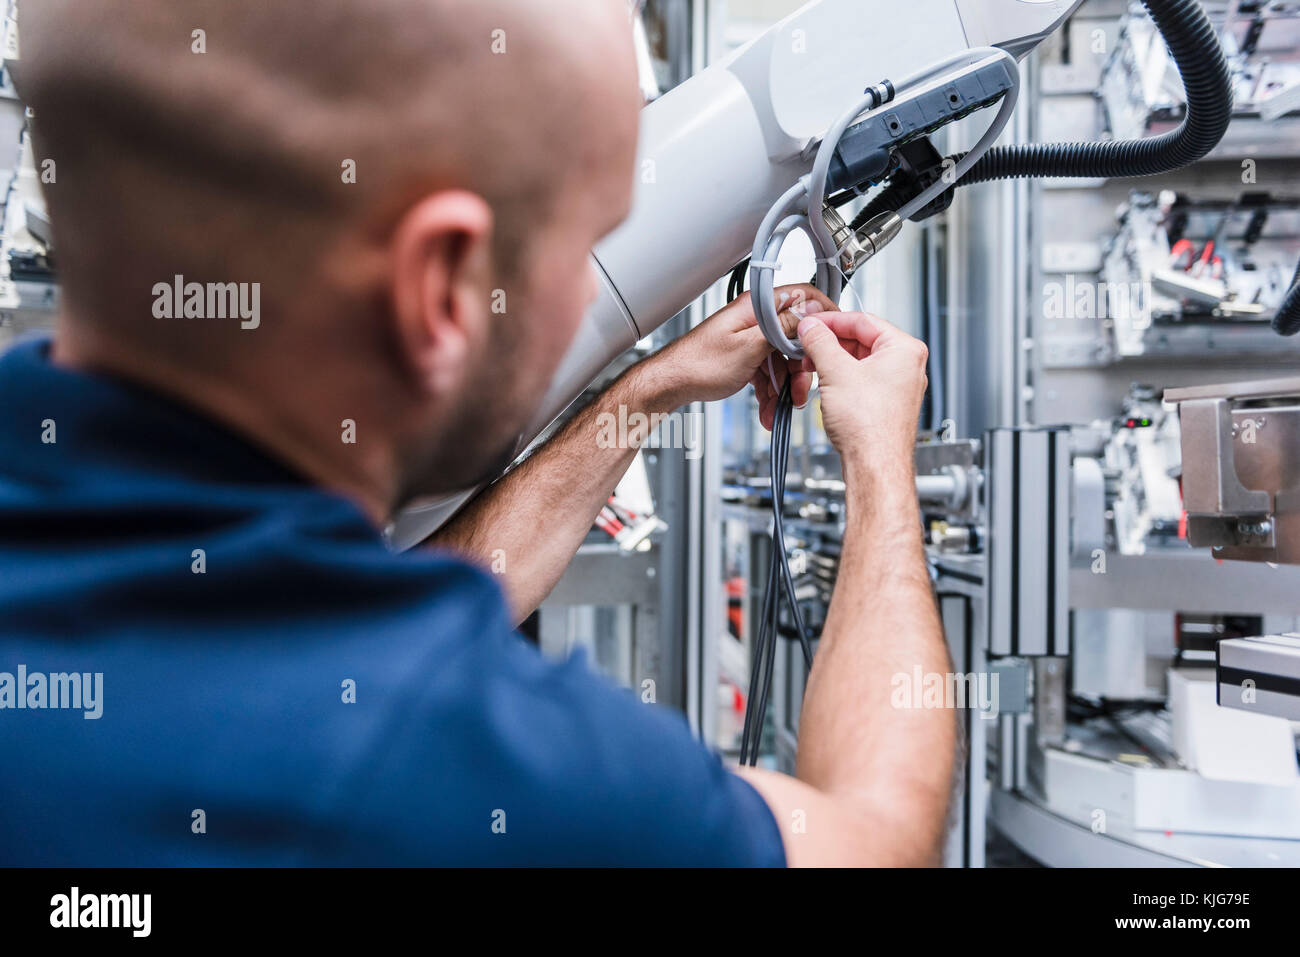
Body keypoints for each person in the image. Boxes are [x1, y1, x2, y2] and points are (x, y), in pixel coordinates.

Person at [0, 0, 954, 866]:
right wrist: (878, 459)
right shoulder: (475, 773)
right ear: (442, 288)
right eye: (580, 241)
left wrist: (649, 388)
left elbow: (388, 608)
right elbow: (874, 840)